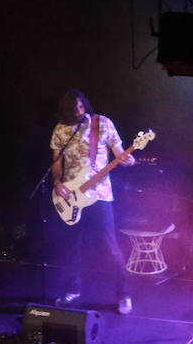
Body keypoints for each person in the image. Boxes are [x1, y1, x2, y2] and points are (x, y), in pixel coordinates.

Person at [49, 89, 136, 316]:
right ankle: (72, 290)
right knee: (71, 247)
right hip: (71, 195)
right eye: (74, 109)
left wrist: (127, 159)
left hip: (100, 194)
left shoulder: (102, 123)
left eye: (81, 106)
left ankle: (124, 294)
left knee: (110, 246)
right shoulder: (61, 129)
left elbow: (119, 152)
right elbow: (56, 162)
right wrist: (57, 183)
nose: (79, 111)